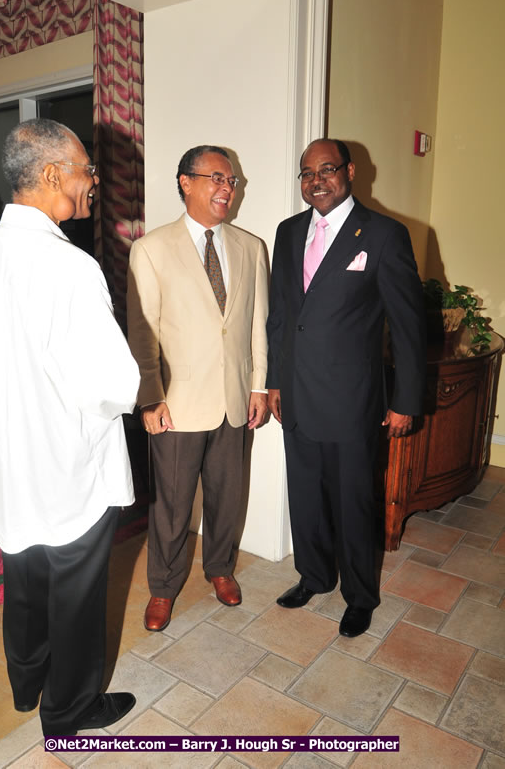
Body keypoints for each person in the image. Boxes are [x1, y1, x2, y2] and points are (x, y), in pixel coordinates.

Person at [0, 119, 140, 735]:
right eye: (87, 168)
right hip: (67, 465)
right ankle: (69, 711)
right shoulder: (70, 267)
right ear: (51, 175)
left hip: (2, 457)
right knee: (75, 590)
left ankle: (26, 684)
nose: (94, 180)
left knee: (23, 571)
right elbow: (113, 385)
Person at [266, 138, 426, 637]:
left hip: (351, 400)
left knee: (354, 502)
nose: (316, 180)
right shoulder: (288, 232)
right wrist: (273, 382)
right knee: (306, 495)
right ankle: (313, 575)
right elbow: (281, 317)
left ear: (350, 172)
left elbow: (407, 326)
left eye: (327, 169)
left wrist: (405, 399)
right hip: (295, 393)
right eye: (307, 173)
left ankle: (360, 595)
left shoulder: (383, 235)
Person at [127, 145, 268, 632]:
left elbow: (256, 327)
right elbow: (141, 331)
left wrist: (260, 386)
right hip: (176, 403)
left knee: (228, 497)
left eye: (231, 180)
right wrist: (150, 397)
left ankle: (221, 568)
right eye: (216, 178)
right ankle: (163, 589)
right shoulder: (151, 249)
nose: (227, 188)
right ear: (185, 182)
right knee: (171, 505)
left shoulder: (252, 249)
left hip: (234, 400)